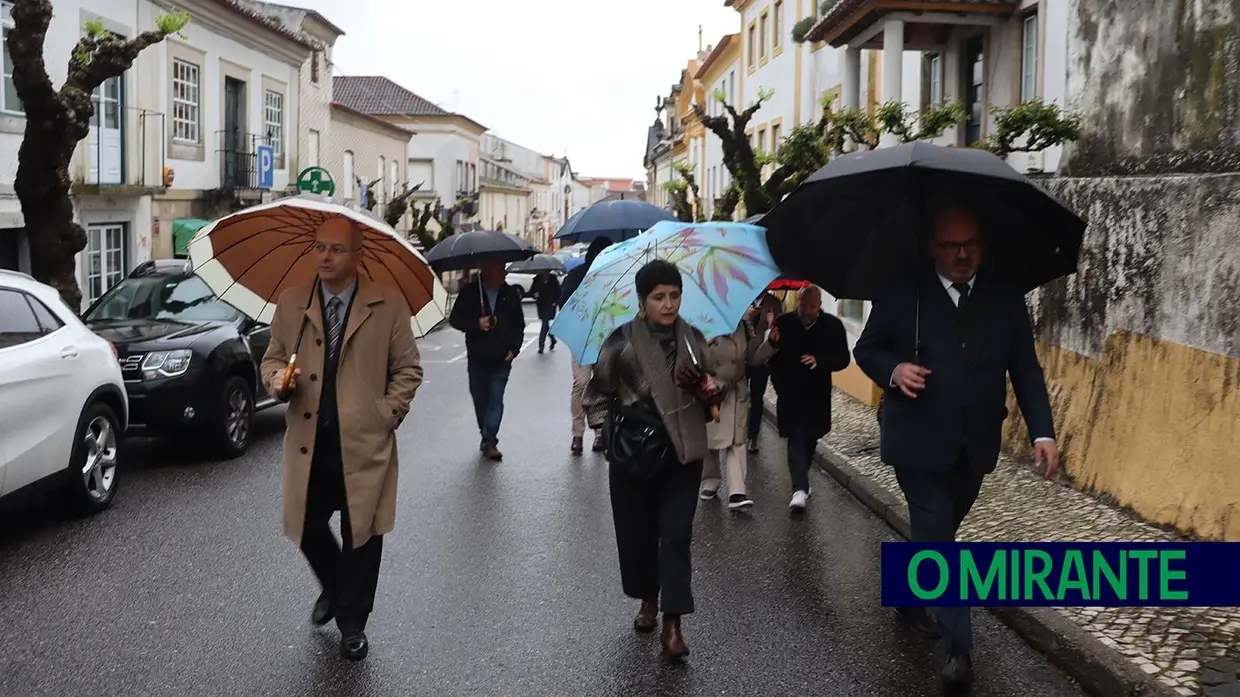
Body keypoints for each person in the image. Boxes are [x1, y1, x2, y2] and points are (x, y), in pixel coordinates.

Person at [853, 205, 1060, 689]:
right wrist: (894, 371)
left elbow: (1025, 370)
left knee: (937, 532)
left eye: (971, 244)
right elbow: (867, 349)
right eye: (952, 245)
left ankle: (908, 594)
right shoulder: (905, 291)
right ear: (933, 248)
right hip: (917, 442)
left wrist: (1043, 432)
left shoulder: (1005, 298)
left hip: (975, 445)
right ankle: (958, 652)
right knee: (942, 540)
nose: (963, 254)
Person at [260, 216, 423, 661]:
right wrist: (278, 380)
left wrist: (386, 413)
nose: (325, 257)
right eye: (319, 248)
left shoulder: (387, 305)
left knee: (363, 535)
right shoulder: (293, 302)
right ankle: (335, 585)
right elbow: (272, 358)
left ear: (358, 256)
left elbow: (408, 369)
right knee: (306, 524)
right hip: (311, 442)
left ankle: (352, 623)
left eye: (335, 249)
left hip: (364, 441)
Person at [584, 259, 723, 663]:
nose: (668, 304)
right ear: (642, 300)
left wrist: (711, 387)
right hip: (632, 453)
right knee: (637, 534)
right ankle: (648, 597)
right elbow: (596, 397)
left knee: (676, 536)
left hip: (681, 454)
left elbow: (715, 391)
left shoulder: (695, 340)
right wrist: (609, 437)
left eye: (675, 295)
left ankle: (673, 622)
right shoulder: (620, 342)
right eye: (659, 297)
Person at [765, 286, 851, 511]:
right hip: (790, 393)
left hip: (817, 395)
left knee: (810, 438)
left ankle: (802, 481)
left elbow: (842, 359)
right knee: (795, 438)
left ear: (819, 305)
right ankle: (799, 489)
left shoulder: (832, 326)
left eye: (811, 306)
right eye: (802, 305)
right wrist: (773, 344)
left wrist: (819, 361)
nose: (806, 310)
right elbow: (771, 358)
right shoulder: (785, 322)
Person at [699, 306, 775, 509]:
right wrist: (703, 348)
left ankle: (737, 492)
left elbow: (754, 358)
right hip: (712, 391)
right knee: (711, 440)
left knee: (737, 440)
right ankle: (711, 479)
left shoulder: (742, 324)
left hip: (737, 390)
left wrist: (772, 342)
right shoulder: (700, 323)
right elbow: (689, 360)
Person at [449, 261, 526, 461]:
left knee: (496, 398)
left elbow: (519, 324)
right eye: (500, 269)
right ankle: (486, 433)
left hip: (502, 358)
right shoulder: (470, 293)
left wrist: (514, 350)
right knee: (480, 400)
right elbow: (455, 320)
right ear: (487, 271)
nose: (504, 273)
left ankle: (490, 440)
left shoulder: (509, 294)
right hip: (478, 357)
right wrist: (477, 324)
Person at [559, 237, 614, 455]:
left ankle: (600, 432)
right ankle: (577, 433)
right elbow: (564, 303)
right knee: (581, 383)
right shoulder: (577, 276)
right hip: (582, 336)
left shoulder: (613, 276)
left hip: (607, 337)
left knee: (602, 383)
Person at [745, 291, 782, 452]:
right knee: (738, 397)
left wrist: (772, 323)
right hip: (741, 358)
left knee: (757, 398)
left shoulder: (774, 303)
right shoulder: (741, 300)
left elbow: (778, 333)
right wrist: (745, 315)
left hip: (762, 359)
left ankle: (753, 437)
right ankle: (737, 434)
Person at [529, 269, 561, 354]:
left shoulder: (553, 279)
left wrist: (555, 301)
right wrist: (534, 295)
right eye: (544, 271)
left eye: (547, 271)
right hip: (541, 305)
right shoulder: (537, 279)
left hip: (551, 305)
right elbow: (531, 292)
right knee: (545, 324)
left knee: (544, 324)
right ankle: (552, 339)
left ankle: (541, 345)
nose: (545, 273)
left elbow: (558, 292)